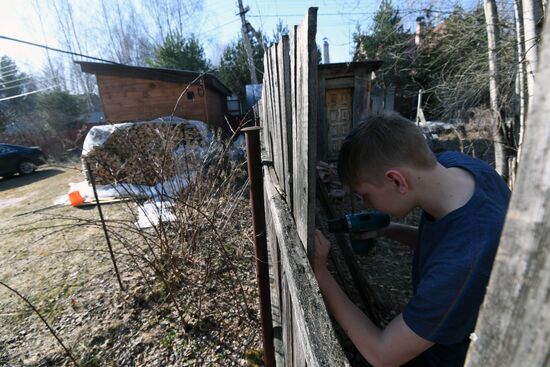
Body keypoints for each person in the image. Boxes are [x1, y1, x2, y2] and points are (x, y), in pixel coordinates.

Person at [314, 112, 510, 367]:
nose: (365, 203)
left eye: (365, 194)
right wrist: (389, 229)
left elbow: (382, 354)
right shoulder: (460, 167)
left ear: (396, 180)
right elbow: (447, 243)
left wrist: (320, 274)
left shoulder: (462, 263)